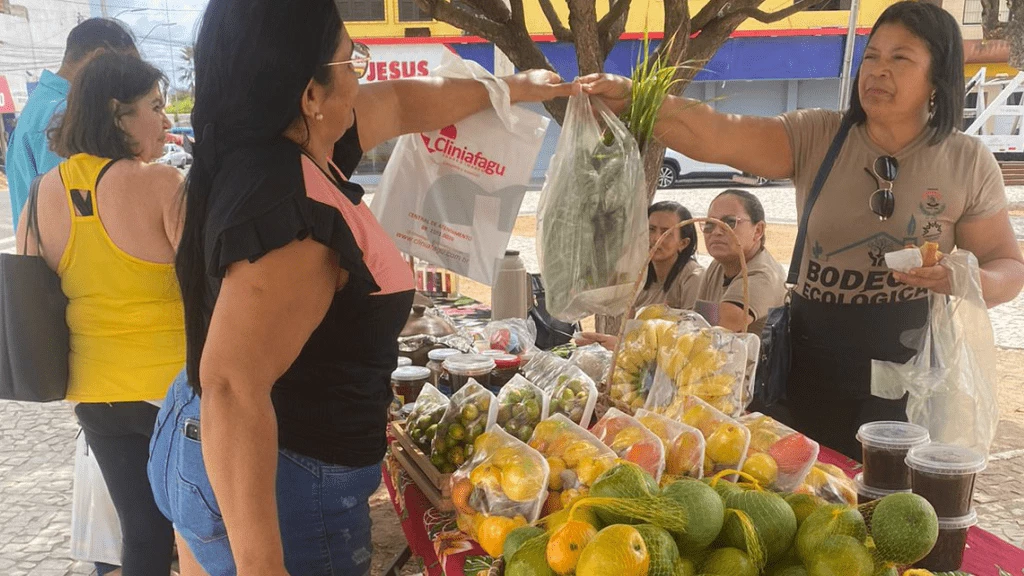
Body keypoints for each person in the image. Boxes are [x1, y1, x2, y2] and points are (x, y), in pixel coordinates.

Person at [145, 1, 571, 574]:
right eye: (352, 61)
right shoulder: (292, 207)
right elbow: (232, 387)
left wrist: (512, 89)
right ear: (310, 94)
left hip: (200, 436)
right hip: (279, 475)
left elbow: (402, 103)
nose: (361, 75)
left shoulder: (281, 149)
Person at [581, 1, 1024, 459]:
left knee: (892, 505)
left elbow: (1008, 267)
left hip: (909, 379)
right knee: (809, 493)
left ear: (938, 75)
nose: (877, 71)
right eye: (871, 56)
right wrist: (636, 98)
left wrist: (963, 279)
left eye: (900, 58)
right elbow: (715, 133)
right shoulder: (819, 136)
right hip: (810, 363)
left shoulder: (966, 162)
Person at [17, 52, 184, 575]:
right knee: (199, 528)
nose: (167, 120)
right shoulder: (162, 185)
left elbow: (30, 294)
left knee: (141, 534)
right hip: (174, 392)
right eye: (155, 106)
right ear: (117, 113)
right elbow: (211, 286)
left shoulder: (42, 194)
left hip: (96, 395)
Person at [5, 17, 136, 227]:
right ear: (98, 59)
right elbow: (80, 217)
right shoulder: (65, 114)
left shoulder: (35, 109)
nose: (129, 83)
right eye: (127, 70)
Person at [576, 200, 702, 349]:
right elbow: (628, 336)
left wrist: (619, 345)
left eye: (666, 232)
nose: (655, 238)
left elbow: (692, 341)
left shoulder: (693, 278)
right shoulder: (640, 277)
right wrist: (605, 342)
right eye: (651, 229)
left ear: (683, 243)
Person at [695, 189, 786, 335]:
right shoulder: (718, 265)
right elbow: (699, 319)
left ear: (758, 230)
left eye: (729, 222)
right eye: (710, 224)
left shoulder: (763, 275)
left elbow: (725, 322)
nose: (716, 231)